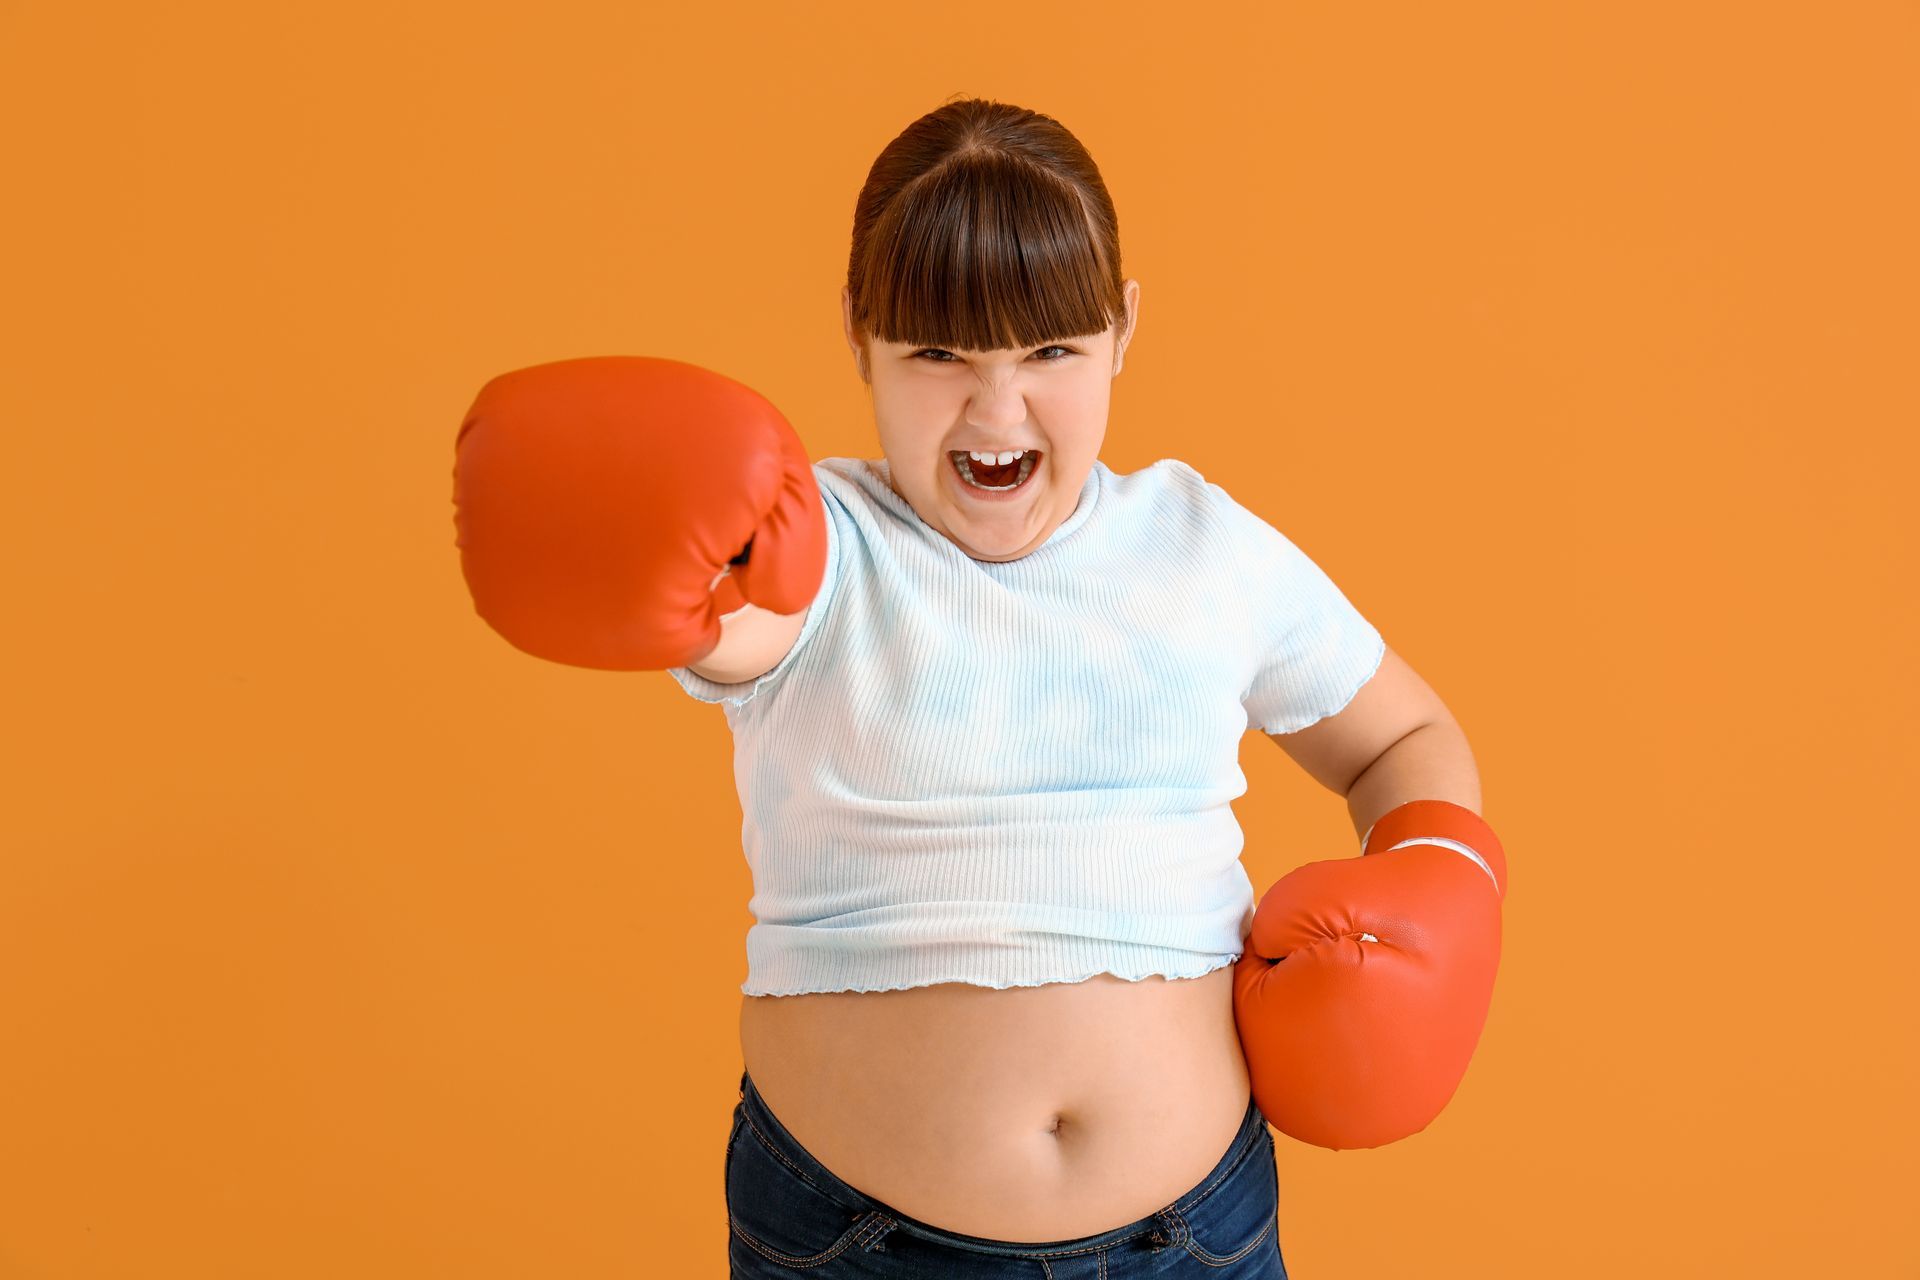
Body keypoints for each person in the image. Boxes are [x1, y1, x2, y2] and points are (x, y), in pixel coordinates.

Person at [453, 95, 1503, 1279]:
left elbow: (1401, 732)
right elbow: (736, 620)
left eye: (1050, 350)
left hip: (1188, 1239)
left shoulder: (1205, 547)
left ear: (1123, 331)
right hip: (858, 1240)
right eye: (939, 354)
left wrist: (1442, 879)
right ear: (858, 332)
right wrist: (664, 539)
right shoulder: (821, 544)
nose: (996, 409)